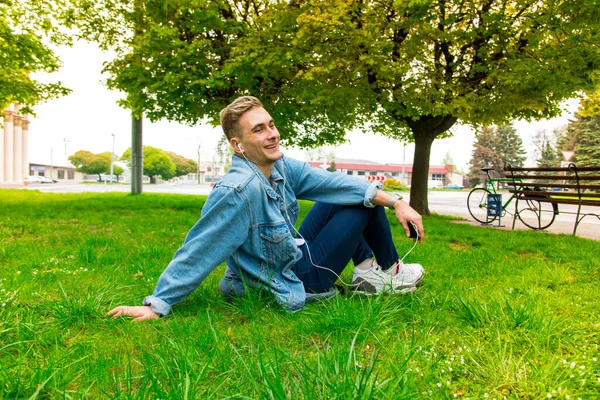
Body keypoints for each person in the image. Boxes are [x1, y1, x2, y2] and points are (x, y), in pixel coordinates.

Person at [108, 96, 425, 322]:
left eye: (271, 125)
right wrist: (158, 303)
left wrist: (397, 202)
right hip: (294, 277)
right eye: (258, 129)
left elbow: (333, 183)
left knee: (348, 194)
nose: (272, 134)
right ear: (239, 146)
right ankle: (388, 271)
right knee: (361, 208)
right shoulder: (238, 191)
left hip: (292, 254)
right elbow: (199, 248)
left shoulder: (282, 166)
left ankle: (369, 270)